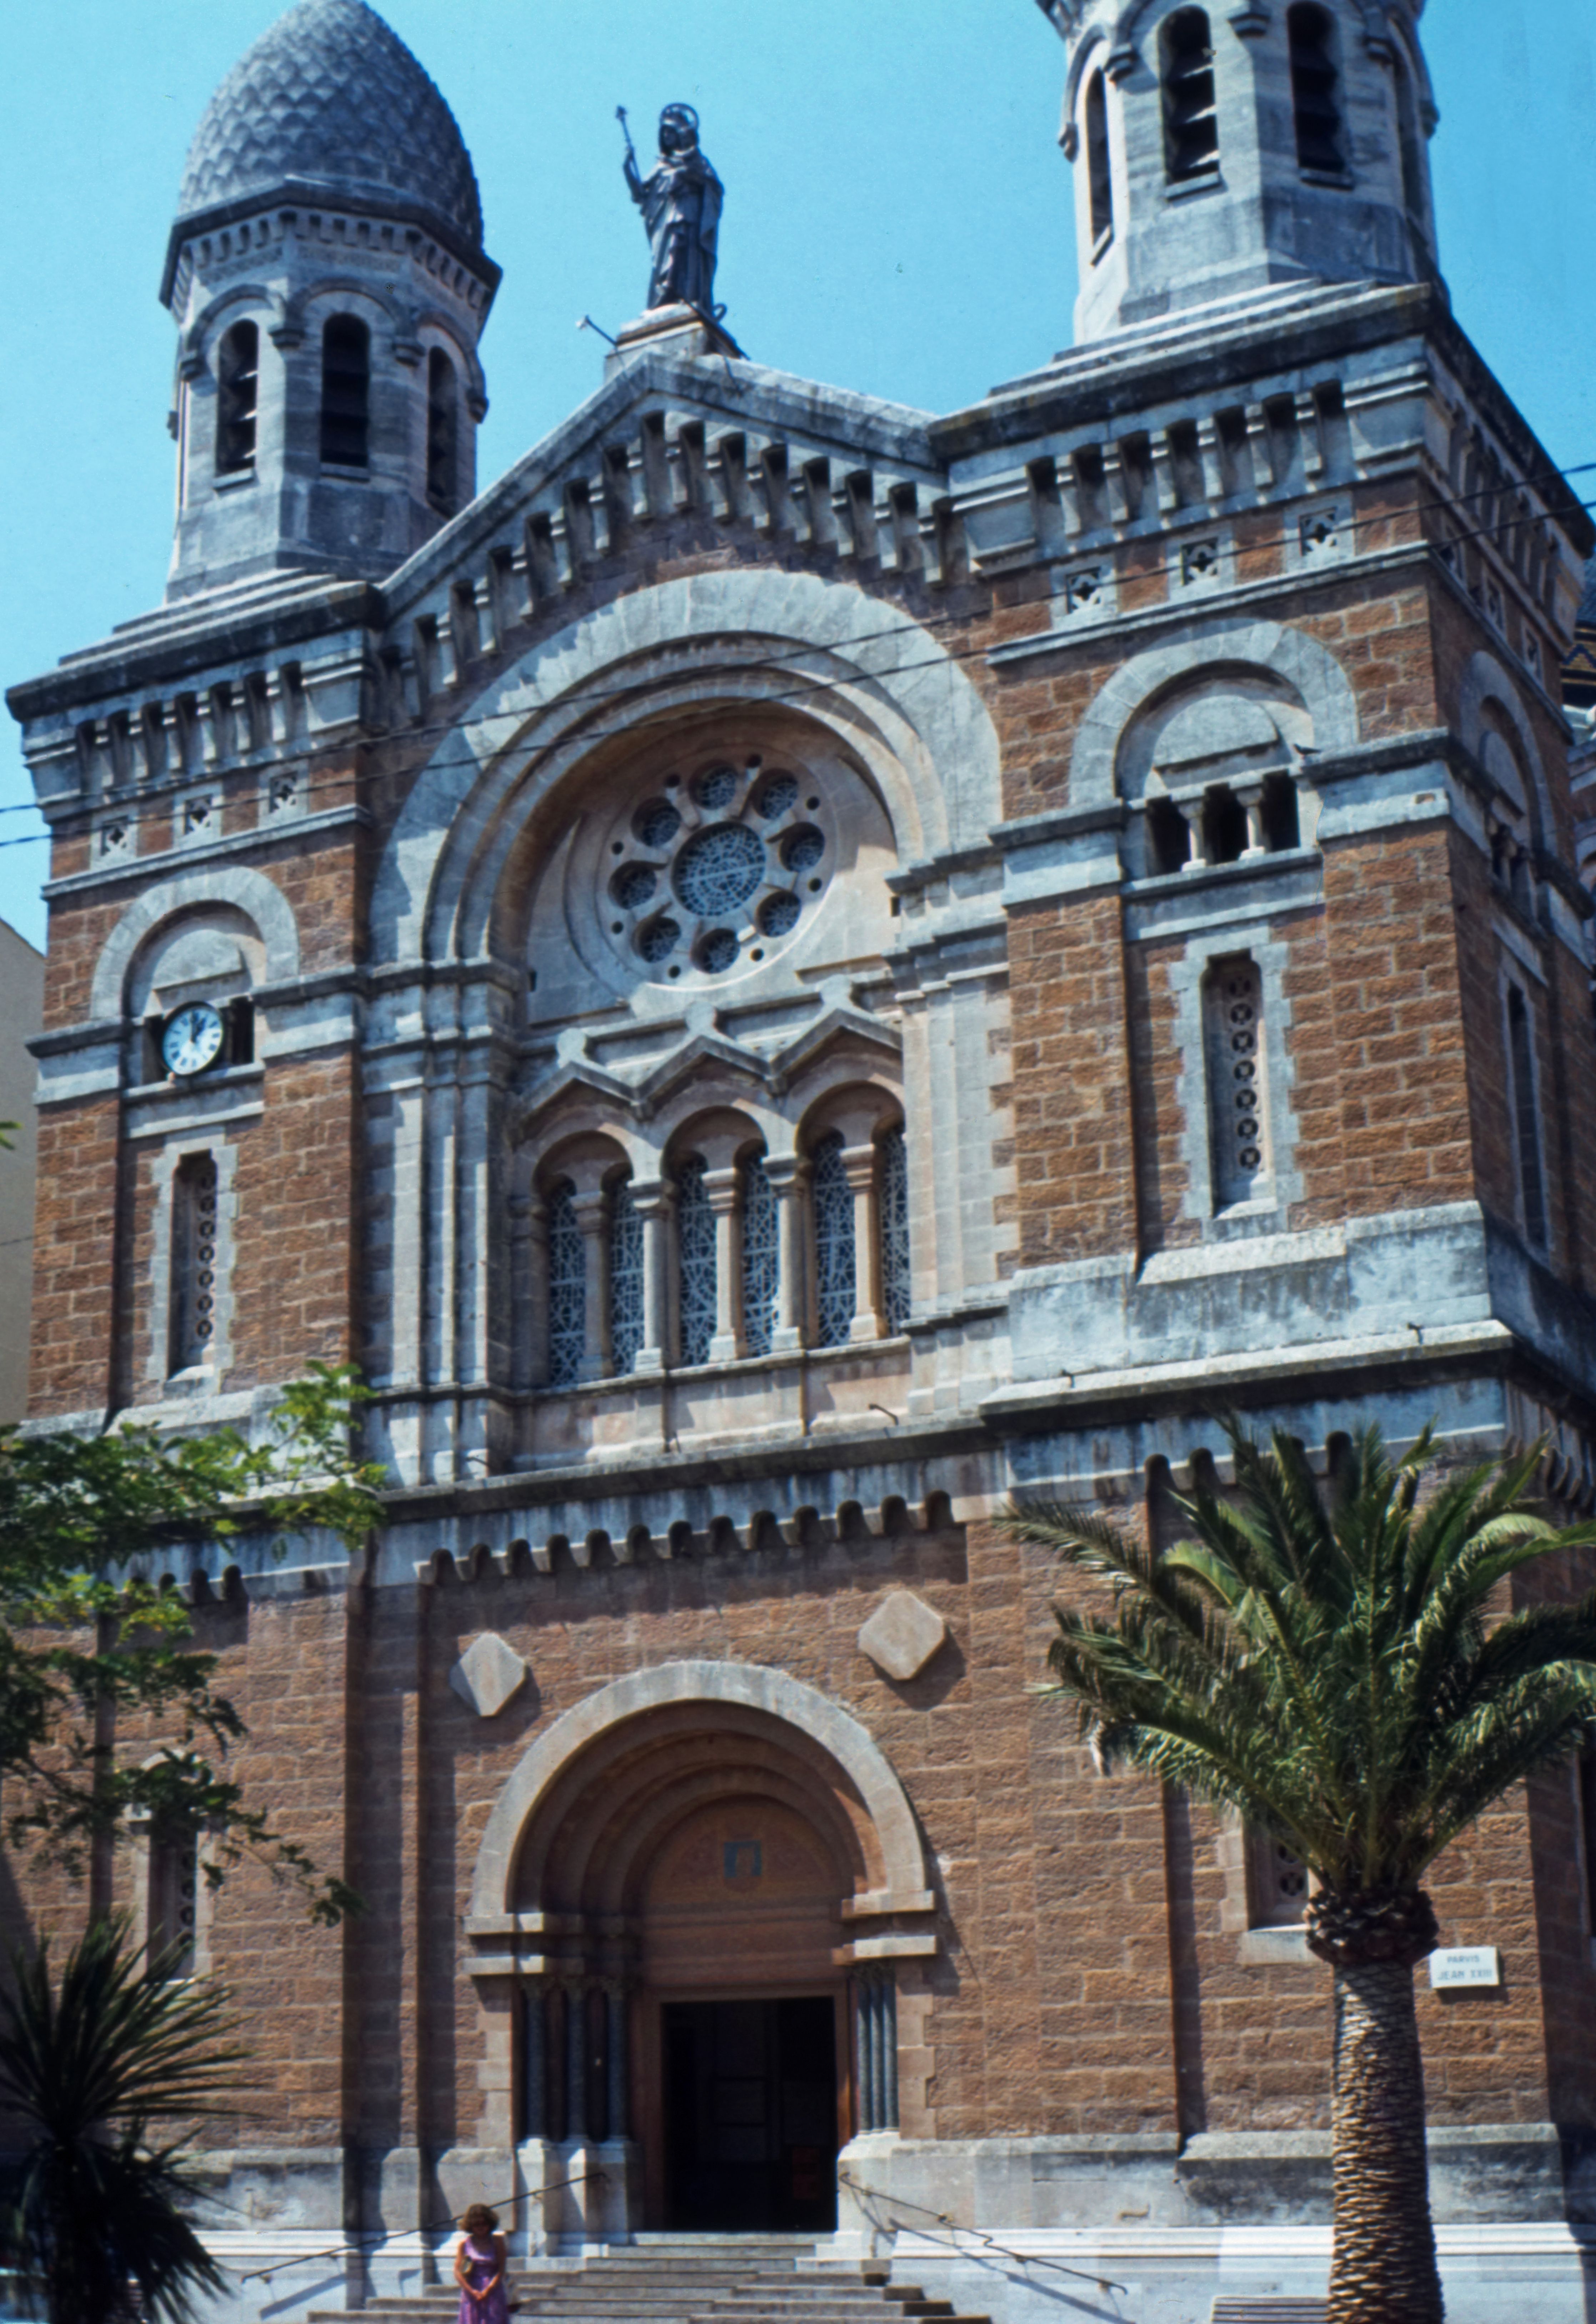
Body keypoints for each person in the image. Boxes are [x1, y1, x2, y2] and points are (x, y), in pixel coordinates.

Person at [623, 103, 723, 314]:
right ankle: (666, 291)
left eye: (671, 131)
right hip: (664, 218)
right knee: (666, 256)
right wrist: (627, 168)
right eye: (664, 133)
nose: (667, 136)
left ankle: (684, 292)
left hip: (687, 211)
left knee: (681, 248)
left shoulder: (697, 160)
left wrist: (687, 175)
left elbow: (713, 187)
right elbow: (640, 195)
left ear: (680, 134)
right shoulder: (661, 166)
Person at [453, 2203, 511, 2324]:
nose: (481, 2227)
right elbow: (457, 2271)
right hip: (471, 2291)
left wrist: (489, 2289)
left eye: (484, 2224)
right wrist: (471, 2291)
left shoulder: (498, 2241)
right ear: (471, 2225)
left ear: (490, 2224)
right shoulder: (464, 2244)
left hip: (493, 2290)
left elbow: (501, 2269)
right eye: (477, 2224)